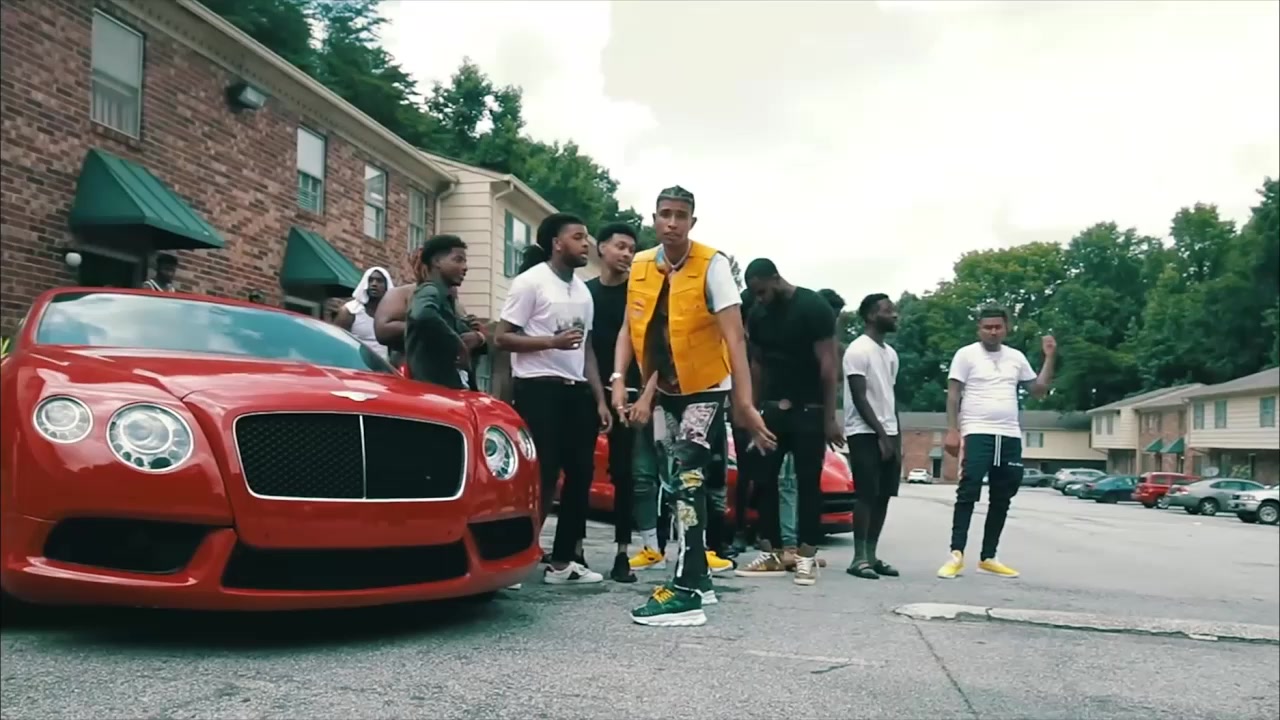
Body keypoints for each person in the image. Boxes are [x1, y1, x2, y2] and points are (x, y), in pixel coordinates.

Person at [612, 185, 775, 627]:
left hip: (705, 387)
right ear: (654, 219)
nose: (672, 223)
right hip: (666, 390)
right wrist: (621, 382)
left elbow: (735, 338)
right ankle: (699, 578)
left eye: (680, 216)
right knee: (675, 481)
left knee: (687, 476)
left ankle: (684, 594)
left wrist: (744, 402)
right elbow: (633, 329)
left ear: (692, 222)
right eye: (665, 214)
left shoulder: (712, 265)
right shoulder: (642, 265)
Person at [495, 213, 611, 586]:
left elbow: (587, 349)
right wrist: (551, 342)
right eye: (578, 237)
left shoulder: (583, 291)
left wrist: (600, 399)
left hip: (576, 390)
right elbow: (502, 337)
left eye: (586, 237)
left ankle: (563, 562)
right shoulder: (530, 282)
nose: (586, 243)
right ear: (557, 243)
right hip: (538, 387)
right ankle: (517, 556)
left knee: (581, 475)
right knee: (541, 475)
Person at [733, 259, 841, 586]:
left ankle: (806, 557)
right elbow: (757, 365)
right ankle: (773, 553)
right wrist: (750, 409)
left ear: (776, 279)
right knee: (764, 479)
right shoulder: (759, 315)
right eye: (755, 294)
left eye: (762, 291)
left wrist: (830, 416)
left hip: (809, 408)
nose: (759, 298)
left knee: (808, 483)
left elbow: (828, 365)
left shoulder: (813, 306)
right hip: (772, 410)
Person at [937, 307, 1056, 580]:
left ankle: (988, 557)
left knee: (1002, 496)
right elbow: (953, 394)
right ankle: (956, 554)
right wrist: (952, 430)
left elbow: (1038, 391)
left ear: (1006, 328)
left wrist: (1049, 357)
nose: (992, 331)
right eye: (987, 327)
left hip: (1009, 434)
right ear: (979, 329)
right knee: (968, 490)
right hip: (977, 431)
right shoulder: (966, 354)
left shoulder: (1016, 357)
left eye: (997, 327)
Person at [586, 222, 643, 583]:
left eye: (631, 249)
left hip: (628, 392)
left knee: (624, 473)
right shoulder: (585, 293)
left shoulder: (636, 294)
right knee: (580, 470)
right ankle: (573, 550)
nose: (626, 254)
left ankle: (623, 553)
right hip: (587, 389)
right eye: (620, 246)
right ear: (602, 248)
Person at [843, 293, 902, 579]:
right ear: (870, 316)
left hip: (888, 431)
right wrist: (880, 434)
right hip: (864, 432)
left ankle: (871, 555)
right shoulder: (858, 350)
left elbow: (889, 395)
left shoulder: (890, 354)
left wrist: (895, 435)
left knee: (883, 495)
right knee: (866, 493)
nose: (895, 314)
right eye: (888, 310)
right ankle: (858, 559)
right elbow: (859, 397)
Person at [403, 235, 485, 389]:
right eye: (458, 260)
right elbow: (422, 314)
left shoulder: (445, 299)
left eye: (465, 261)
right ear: (436, 262)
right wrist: (457, 343)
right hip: (432, 392)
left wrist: (478, 337)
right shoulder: (429, 290)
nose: (465, 267)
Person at [335, 267, 393, 360]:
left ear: (387, 287)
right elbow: (337, 343)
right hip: (355, 364)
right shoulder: (350, 311)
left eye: (379, 281)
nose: (374, 284)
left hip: (382, 366)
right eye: (370, 280)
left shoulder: (391, 314)